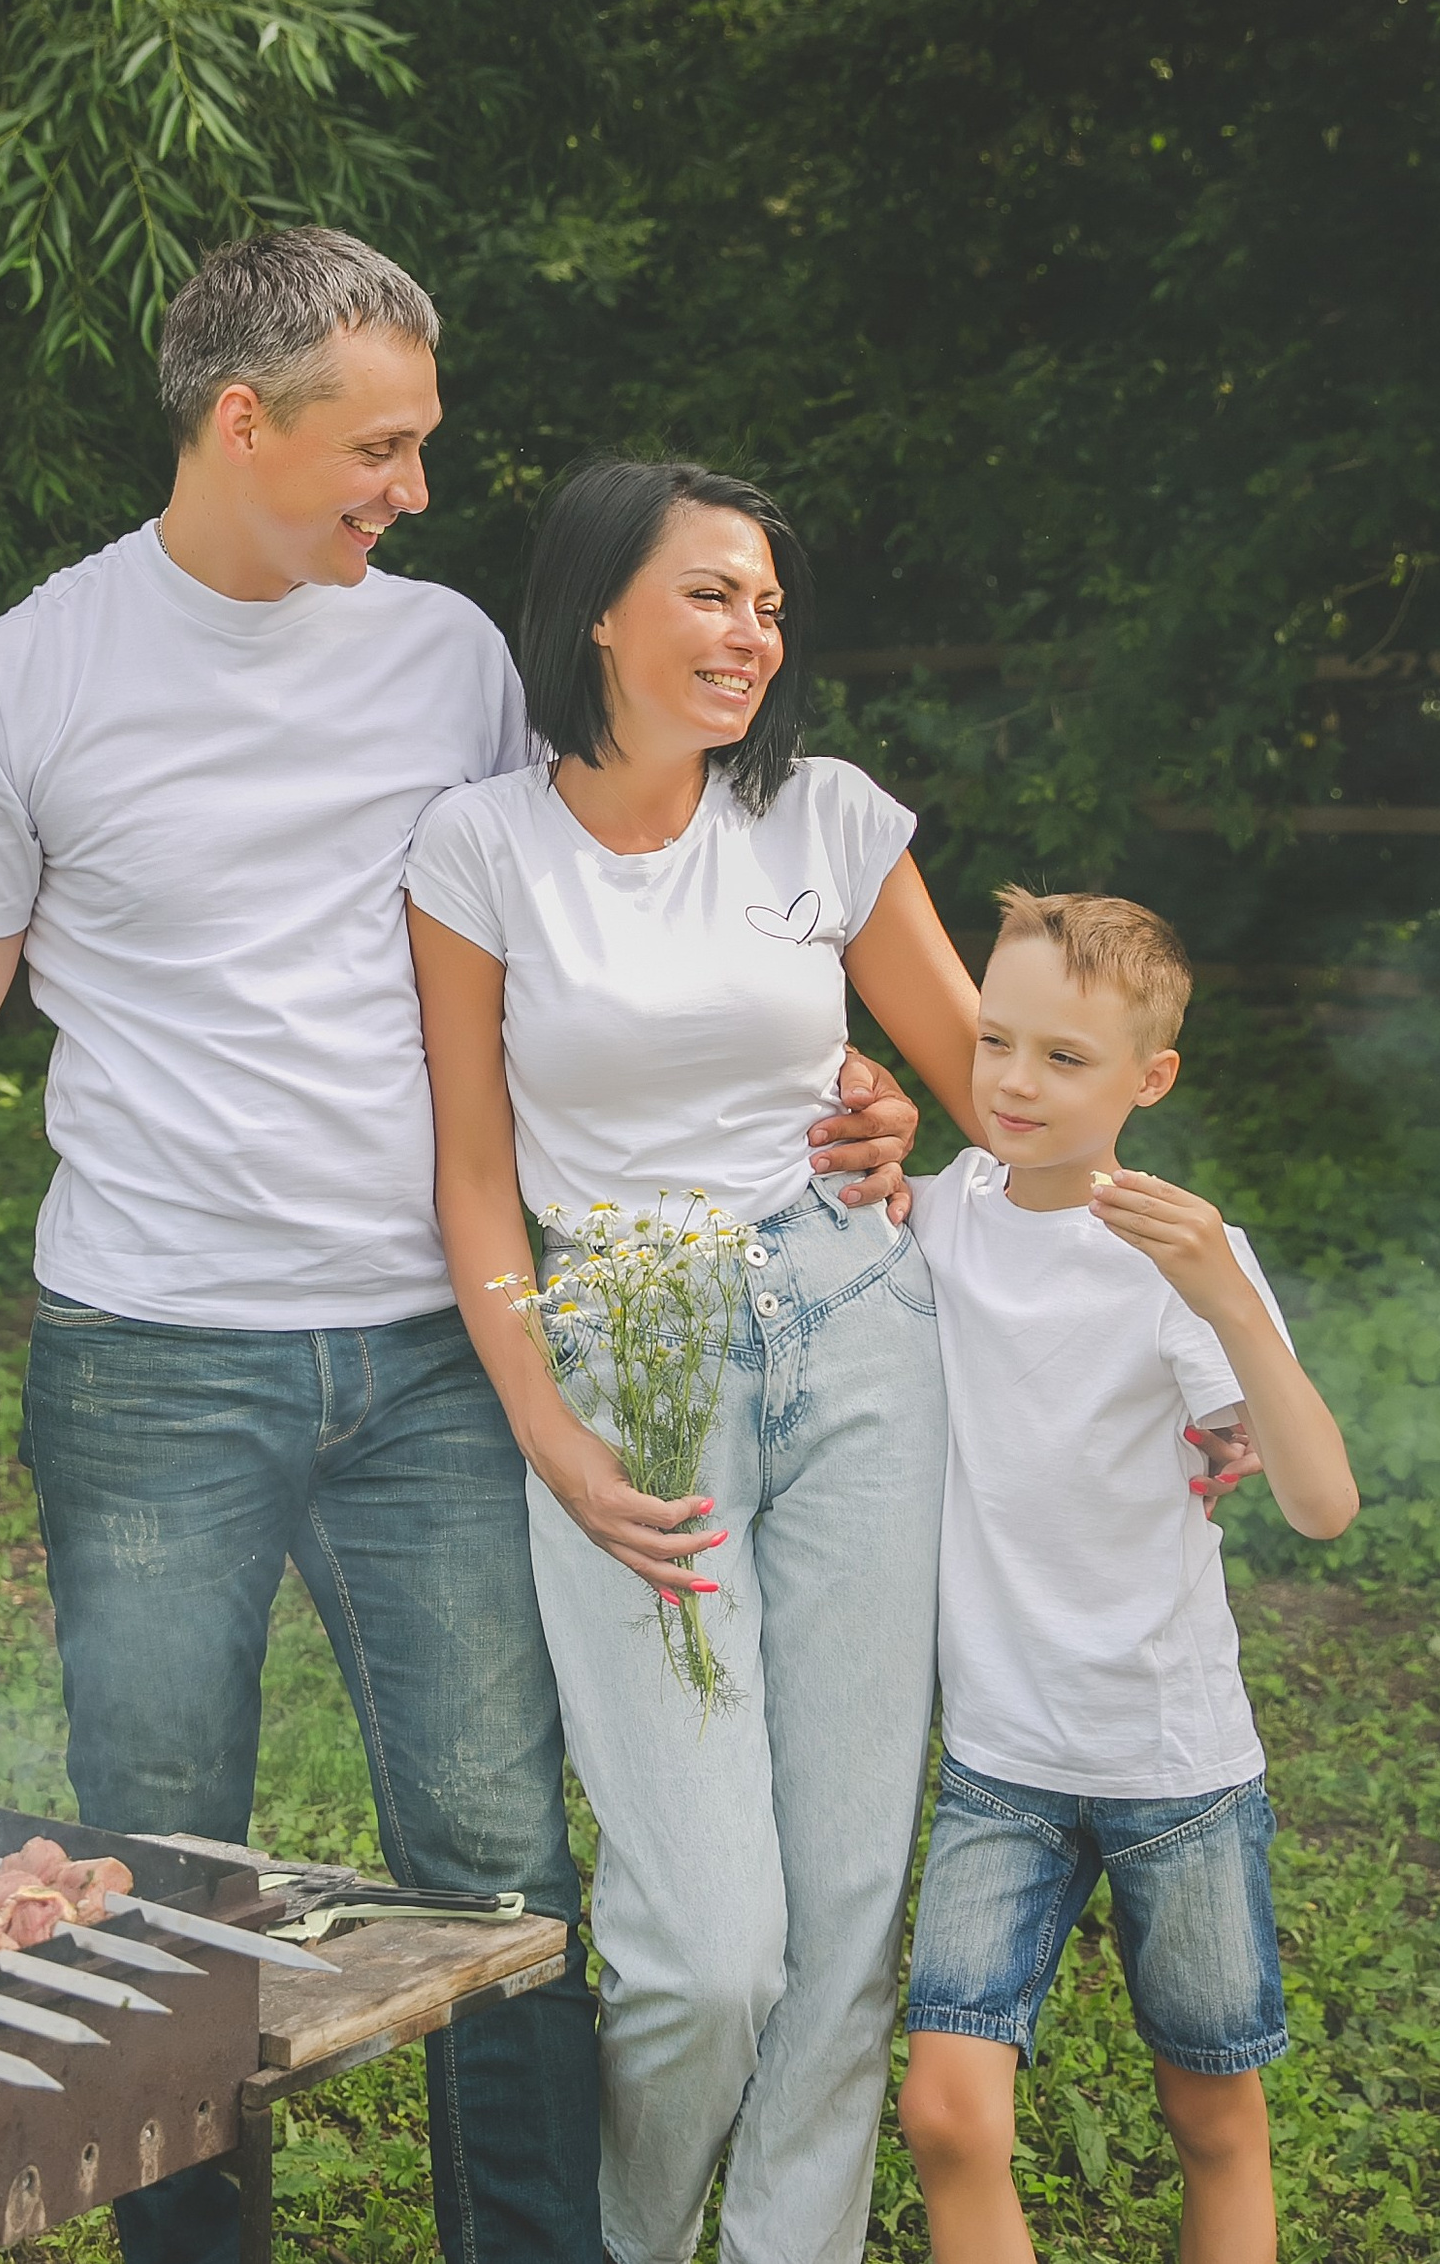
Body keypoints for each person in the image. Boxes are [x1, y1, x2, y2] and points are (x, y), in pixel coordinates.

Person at [0, 233, 923, 2264]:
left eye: (423, 448)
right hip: (151, 1365)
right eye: (381, 446)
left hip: (442, 1357)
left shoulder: (448, 656)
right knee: (153, 1882)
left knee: (490, 1871)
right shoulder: (25, 679)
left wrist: (836, 1095)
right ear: (240, 419)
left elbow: (608, 917)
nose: (415, 490)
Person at [409, 458, 988, 2264]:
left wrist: (917, 1149)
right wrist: (547, 1430)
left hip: (855, 1335)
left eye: (769, 605)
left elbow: (999, 1085)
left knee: (843, 1905)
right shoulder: (481, 848)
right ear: (600, 610)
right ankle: (628, 2240)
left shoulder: (824, 819)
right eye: (714, 595)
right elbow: (477, 1176)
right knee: (702, 1944)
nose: (754, 633)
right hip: (624, 1361)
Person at [894, 888, 1358, 2264]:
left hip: (1175, 1766)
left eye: (1064, 1058)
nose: (1014, 1083)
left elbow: (1322, 1505)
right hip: (1001, 1759)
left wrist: (1227, 1299)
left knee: (1214, 2119)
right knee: (947, 2117)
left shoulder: (1177, 1258)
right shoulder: (941, 1216)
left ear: (1149, 1080)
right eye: (995, 1042)